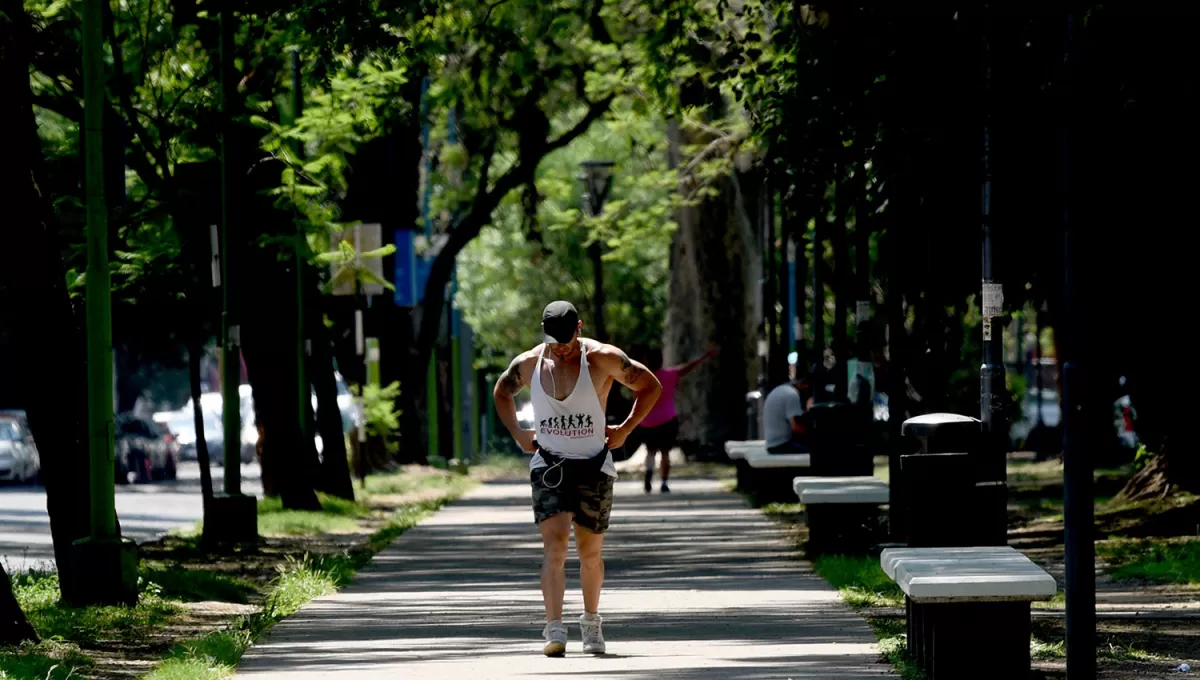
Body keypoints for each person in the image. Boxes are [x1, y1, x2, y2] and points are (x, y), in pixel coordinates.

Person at [492, 301, 662, 658]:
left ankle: (591, 622)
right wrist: (519, 434)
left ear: (579, 328)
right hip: (550, 465)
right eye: (554, 341)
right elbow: (503, 392)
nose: (561, 347)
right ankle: (554, 628)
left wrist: (626, 430)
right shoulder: (529, 363)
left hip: (593, 465)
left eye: (567, 340)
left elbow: (650, 386)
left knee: (589, 551)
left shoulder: (603, 358)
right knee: (554, 547)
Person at [636, 344, 719, 493]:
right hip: (668, 420)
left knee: (650, 452)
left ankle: (648, 474)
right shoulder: (670, 375)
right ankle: (664, 482)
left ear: (646, 361)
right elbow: (688, 367)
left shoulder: (642, 379)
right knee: (665, 453)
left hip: (648, 421)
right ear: (661, 361)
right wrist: (705, 356)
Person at [763, 374, 815, 454]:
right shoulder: (792, 394)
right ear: (805, 386)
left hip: (771, 443)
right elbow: (795, 426)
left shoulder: (782, 389)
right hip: (781, 444)